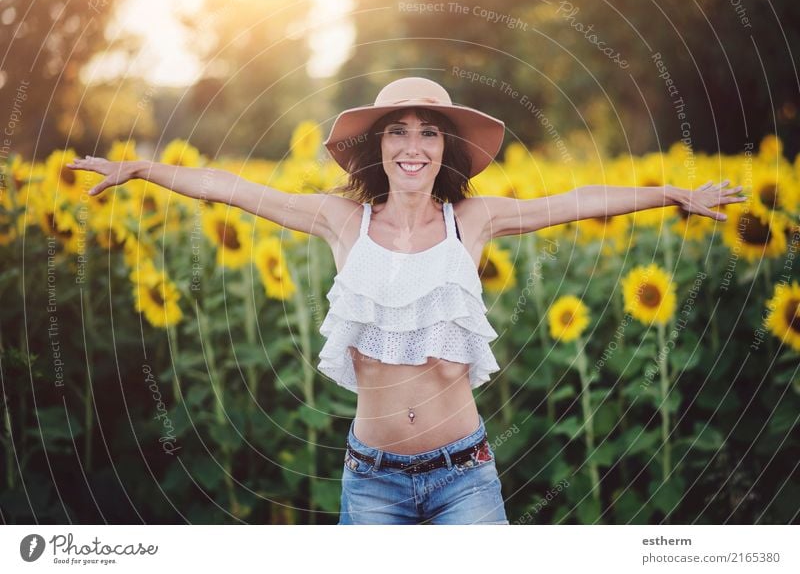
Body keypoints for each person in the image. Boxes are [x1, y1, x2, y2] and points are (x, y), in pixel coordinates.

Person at [69, 76, 746, 526]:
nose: (414, 146)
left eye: (428, 131)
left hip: (465, 480)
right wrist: (141, 170)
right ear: (378, 146)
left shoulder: (472, 220)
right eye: (399, 130)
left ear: (445, 146)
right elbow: (234, 189)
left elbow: (571, 204)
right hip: (373, 483)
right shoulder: (342, 221)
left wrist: (673, 196)